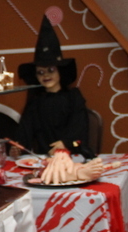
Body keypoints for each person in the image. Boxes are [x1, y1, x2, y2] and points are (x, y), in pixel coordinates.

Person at [16, 16, 90, 157]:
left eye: (51, 70)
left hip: (72, 156)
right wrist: (18, 147)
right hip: (44, 159)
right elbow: (24, 133)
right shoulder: (35, 102)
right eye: (40, 72)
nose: (46, 75)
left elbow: (80, 134)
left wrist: (66, 144)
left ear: (60, 71)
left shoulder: (73, 98)